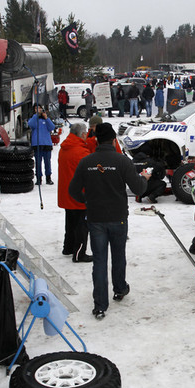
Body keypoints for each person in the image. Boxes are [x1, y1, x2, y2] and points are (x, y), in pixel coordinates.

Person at [68, 122, 150, 320]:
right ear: (114, 140)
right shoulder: (122, 161)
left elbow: (72, 191)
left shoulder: (87, 161)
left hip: (96, 218)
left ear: (96, 140)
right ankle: (120, 289)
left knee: (99, 261)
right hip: (118, 217)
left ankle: (100, 305)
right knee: (118, 255)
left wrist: (86, 201)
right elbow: (139, 189)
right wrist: (145, 177)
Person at [58, 122, 93, 262]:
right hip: (80, 195)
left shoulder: (65, 147)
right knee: (82, 226)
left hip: (66, 193)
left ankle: (68, 247)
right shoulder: (81, 152)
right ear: (83, 134)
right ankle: (79, 253)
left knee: (70, 222)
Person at [27, 105, 55, 185]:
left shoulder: (46, 120)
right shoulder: (34, 119)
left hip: (47, 143)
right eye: (36, 109)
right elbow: (31, 124)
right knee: (38, 163)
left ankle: (48, 177)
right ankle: (39, 178)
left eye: (39, 108)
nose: (38, 110)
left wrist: (46, 118)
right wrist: (36, 115)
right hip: (37, 144)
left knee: (47, 162)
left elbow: (52, 127)